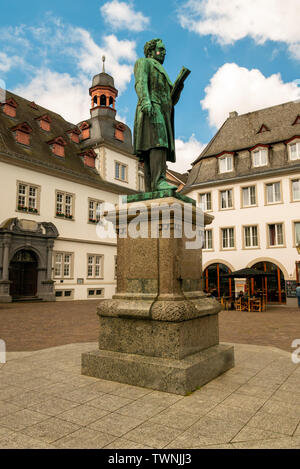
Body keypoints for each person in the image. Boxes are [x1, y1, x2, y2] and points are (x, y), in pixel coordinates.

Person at [133, 38, 187, 192]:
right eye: (161, 49)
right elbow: (140, 83)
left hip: (163, 111)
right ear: (151, 51)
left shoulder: (162, 71)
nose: (164, 53)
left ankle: (151, 186)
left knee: (155, 145)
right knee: (158, 143)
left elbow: (171, 99)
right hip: (151, 107)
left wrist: (179, 85)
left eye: (164, 50)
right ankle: (158, 181)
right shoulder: (144, 62)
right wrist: (145, 101)